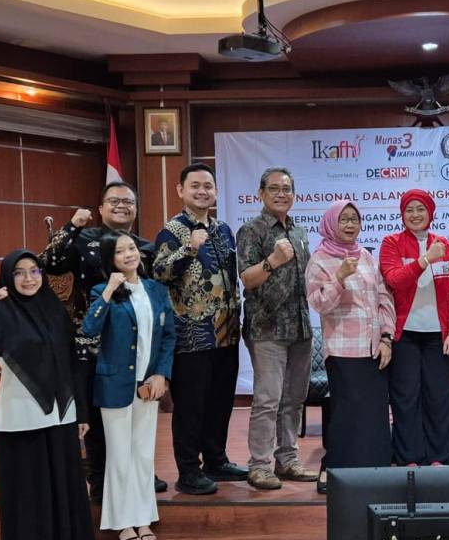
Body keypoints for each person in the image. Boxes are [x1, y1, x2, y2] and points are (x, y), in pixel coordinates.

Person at [0, 250, 98, 540]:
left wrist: (81, 413)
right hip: (20, 421)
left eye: (34, 271)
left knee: (62, 496)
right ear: (7, 278)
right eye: (20, 273)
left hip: (61, 416)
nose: (28, 279)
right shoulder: (2, 312)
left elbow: (72, 362)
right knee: (30, 502)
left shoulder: (53, 309)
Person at [38, 181, 165, 500]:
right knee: (96, 416)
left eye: (128, 201)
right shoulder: (82, 239)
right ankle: (100, 479)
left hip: (133, 344)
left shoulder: (145, 247)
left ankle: (136, 474)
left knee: (134, 411)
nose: (122, 205)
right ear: (101, 208)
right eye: (114, 200)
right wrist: (70, 226)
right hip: (92, 341)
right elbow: (49, 264)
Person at [153, 163, 248, 495]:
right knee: (191, 405)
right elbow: (160, 272)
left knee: (220, 401)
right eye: (195, 186)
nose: (202, 191)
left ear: (216, 192)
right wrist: (189, 247)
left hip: (225, 332)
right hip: (191, 336)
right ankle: (188, 470)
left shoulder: (223, 229)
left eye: (208, 186)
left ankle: (216, 460)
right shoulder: (172, 230)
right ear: (180, 190)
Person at [82, 234, 176, 540]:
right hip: (114, 386)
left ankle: (143, 517)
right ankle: (123, 523)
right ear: (110, 259)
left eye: (132, 248)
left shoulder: (156, 290)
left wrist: (162, 374)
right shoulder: (101, 291)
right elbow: (89, 329)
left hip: (149, 386)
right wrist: (108, 291)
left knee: (143, 455)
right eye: (119, 251)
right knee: (119, 455)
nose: (128, 254)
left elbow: (168, 337)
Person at [236, 167, 319, 490]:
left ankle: (288, 459)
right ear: (261, 194)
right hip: (266, 328)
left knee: (294, 399)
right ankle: (259, 464)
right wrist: (273, 260)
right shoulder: (251, 231)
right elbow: (247, 278)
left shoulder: (299, 231)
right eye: (274, 188)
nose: (281, 193)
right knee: (268, 399)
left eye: (287, 188)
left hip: (299, 326)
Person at [306, 200, 396, 491]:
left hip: (373, 349)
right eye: (343, 219)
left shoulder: (367, 256)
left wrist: (386, 338)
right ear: (332, 223)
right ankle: (340, 473)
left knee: (375, 413)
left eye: (354, 219)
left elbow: (384, 298)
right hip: (344, 350)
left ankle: (376, 472)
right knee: (348, 413)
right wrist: (340, 277)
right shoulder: (320, 259)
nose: (349, 225)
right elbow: (320, 303)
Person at [379, 189, 449, 466]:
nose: (415, 215)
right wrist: (425, 259)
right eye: (409, 210)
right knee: (405, 399)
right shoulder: (391, 243)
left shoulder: (446, 247)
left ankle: (439, 457)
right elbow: (394, 280)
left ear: (430, 213)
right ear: (402, 215)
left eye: (420, 209)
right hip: (404, 336)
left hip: (438, 336)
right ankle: (409, 457)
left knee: (439, 398)